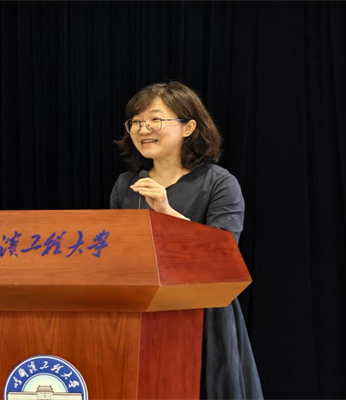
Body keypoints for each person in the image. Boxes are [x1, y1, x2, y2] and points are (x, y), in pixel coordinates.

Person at [110, 81, 264, 400]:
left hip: (202, 313)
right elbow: (114, 251)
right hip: (141, 311)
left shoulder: (219, 183)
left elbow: (222, 253)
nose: (143, 129)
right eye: (136, 121)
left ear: (188, 127)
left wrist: (166, 211)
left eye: (155, 119)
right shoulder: (126, 184)